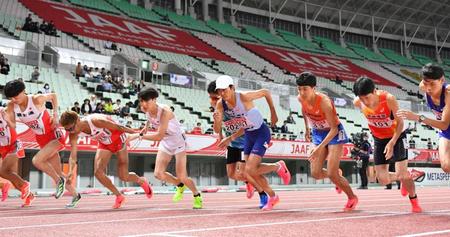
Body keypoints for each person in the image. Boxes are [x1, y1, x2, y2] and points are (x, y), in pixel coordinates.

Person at [214, 75, 291, 211]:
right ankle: (273, 196)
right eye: (219, 91)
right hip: (248, 134)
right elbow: (217, 129)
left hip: (261, 133)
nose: (222, 93)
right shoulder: (221, 104)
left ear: (232, 88)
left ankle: (277, 167)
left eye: (224, 90)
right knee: (251, 173)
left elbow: (265, 92)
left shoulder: (243, 97)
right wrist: (218, 121)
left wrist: (273, 113)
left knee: (249, 170)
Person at [4, 79, 80, 207]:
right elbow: (13, 125)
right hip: (40, 138)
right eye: (11, 97)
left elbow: (53, 96)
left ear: (23, 91)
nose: (14, 99)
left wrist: (55, 114)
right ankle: (75, 195)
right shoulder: (12, 105)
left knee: (37, 161)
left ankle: (58, 181)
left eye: (16, 96)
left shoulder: (35, 99)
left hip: (53, 135)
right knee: (58, 172)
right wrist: (7, 120)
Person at [353, 77, 422, 213]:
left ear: (374, 91)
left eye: (367, 98)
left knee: (402, 174)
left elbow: (400, 123)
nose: (365, 102)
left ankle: (414, 200)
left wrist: (392, 142)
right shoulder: (358, 102)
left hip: (396, 135)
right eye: (361, 99)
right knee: (383, 179)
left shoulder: (388, 99)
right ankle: (407, 175)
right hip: (379, 139)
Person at [127, 87, 202, 209]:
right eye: (141, 101)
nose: (143, 104)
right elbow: (149, 119)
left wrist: (137, 136)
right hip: (166, 142)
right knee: (158, 174)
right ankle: (179, 185)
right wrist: (146, 127)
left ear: (154, 100)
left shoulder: (165, 112)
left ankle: (196, 195)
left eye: (146, 101)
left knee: (182, 175)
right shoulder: (144, 108)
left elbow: (158, 136)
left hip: (178, 142)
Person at [60, 111, 152, 209]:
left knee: (124, 176)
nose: (70, 131)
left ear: (78, 120)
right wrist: (70, 171)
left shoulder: (96, 121)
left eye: (71, 128)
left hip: (118, 140)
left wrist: (137, 133)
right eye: (67, 129)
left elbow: (119, 127)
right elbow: (73, 155)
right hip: (104, 144)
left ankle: (141, 181)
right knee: (98, 172)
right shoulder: (73, 134)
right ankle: (119, 196)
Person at [296, 72, 358, 211]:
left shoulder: (324, 102)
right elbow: (304, 111)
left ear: (314, 88)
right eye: (299, 88)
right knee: (316, 173)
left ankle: (352, 197)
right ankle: (337, 175)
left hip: (334, 133)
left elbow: (334, 129)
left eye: (305, 89)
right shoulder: (300, 98)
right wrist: (307, 128)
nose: (302, 92)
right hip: (318, 132)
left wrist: (318, 148)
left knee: (331, 173)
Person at [397, 64, 450, 173]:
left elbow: (444, 124)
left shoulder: (448, 93)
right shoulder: (423, 86)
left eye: (432, 84)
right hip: (446, 130)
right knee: (446, 166)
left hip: (445, 124)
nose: (429, 88)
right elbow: (445, 127)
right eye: (426, 84)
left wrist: (417, 117)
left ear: (442, 80)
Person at [0, 107, 32, 206]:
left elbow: (13, 125)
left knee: (4, 172)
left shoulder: (3, 111)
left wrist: (8, 119)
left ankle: (25, 184)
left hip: (13, 145)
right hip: (2, 147)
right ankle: (29, 196)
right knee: (12, 178)